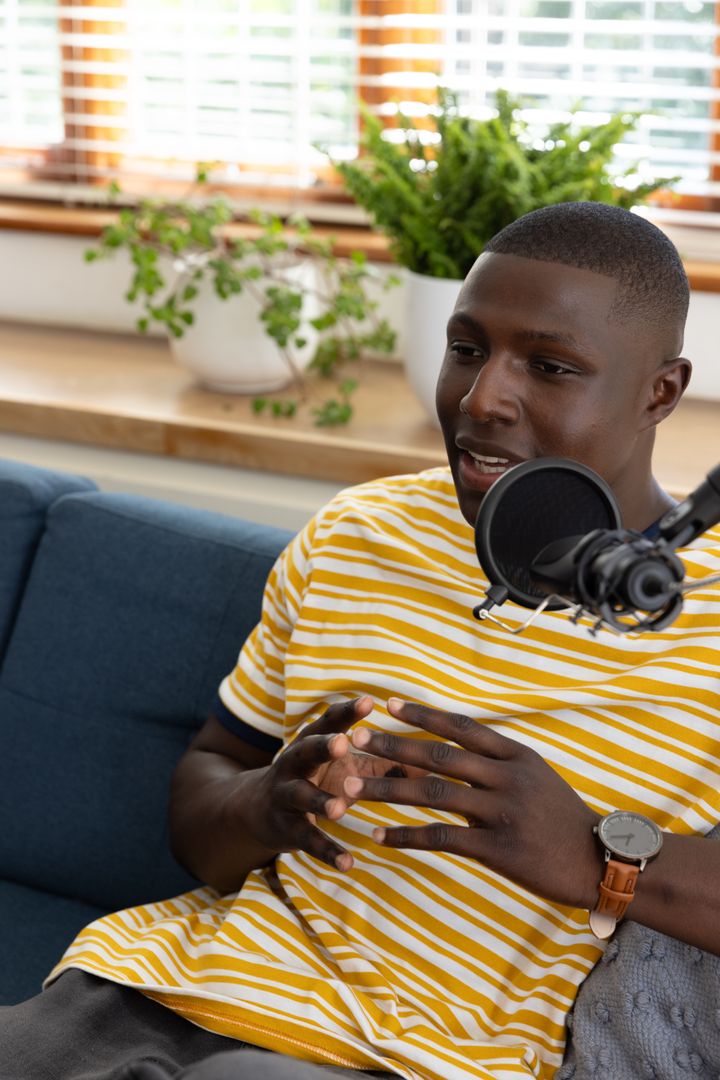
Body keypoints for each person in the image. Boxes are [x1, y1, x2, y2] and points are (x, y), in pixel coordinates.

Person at [3, 201, 720, 1080]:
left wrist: (593, 854)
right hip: (144, 991)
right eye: (466, 348)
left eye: (550, 365)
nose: (484, 397)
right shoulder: (359, 530)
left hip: (414, 1058)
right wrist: (267, 802)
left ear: (661, 392)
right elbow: (205, 790)